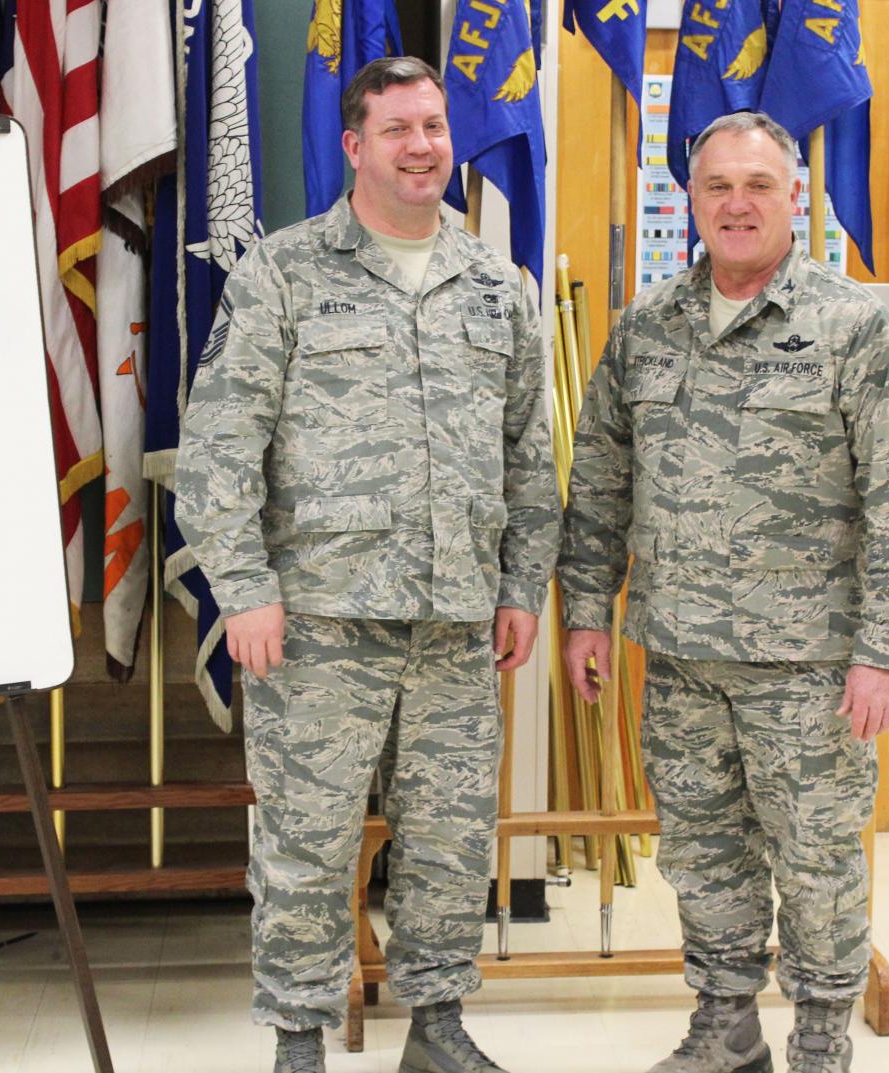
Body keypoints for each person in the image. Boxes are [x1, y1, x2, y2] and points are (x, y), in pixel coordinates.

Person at [174, 57, 559, 1073]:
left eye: (433, 125)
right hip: (319, 624)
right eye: (397, 129)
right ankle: (298, 1039)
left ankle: (435, 1028)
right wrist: (244, 589)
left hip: (454, 621)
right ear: (354, 146)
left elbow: (530, 454)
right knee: (305, 841)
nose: (422, 145)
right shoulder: (284, 273)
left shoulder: (496, 286)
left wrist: (521, 586)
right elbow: (218, 448)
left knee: (447, 838)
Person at [558, 112, 889, 1073]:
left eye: (757, 186)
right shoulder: (648, 328)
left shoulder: (852, 326)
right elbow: (601, 478)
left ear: (794, 198)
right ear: (689, 200)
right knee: (703, 857)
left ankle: (819, 1039)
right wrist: (583, 609)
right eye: (716, 186)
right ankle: (726, 1028)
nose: (736, 204)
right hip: (683, 658)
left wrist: (884, 650)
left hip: (810, 669)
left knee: (816, 864)